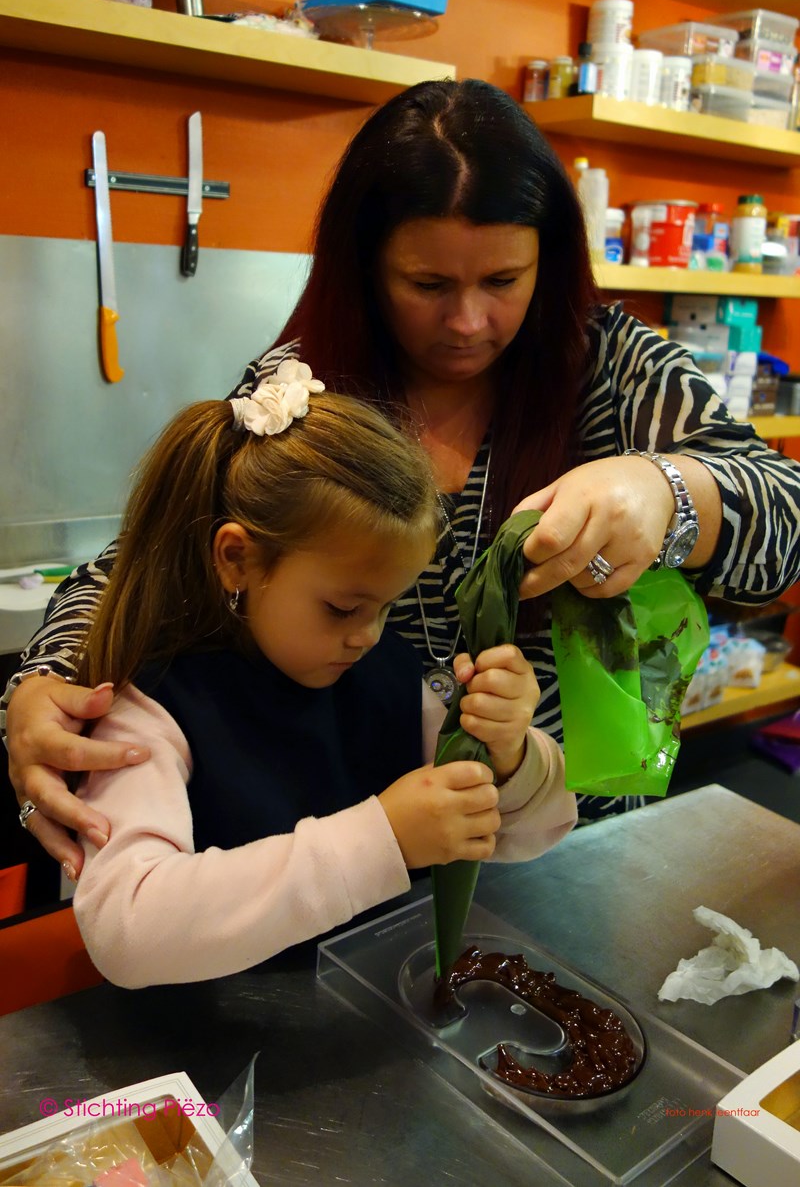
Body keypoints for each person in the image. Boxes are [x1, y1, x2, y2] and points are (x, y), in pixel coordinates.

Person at [7, 79, 800, 870]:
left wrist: (668, 492)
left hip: (573, 841)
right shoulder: (304, 392)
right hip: (357, 847)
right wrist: (41, 683)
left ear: (546, 263)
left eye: (502, 281)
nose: (467, 322)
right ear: (365, 266)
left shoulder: (612, 368)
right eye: (427, 285)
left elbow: (783, 523)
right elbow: (148, 560)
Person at [67, 365, 576, 985]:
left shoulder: (394, 674)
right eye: (342, 608)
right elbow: (128, 932)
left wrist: (510, 752)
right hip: (212, 1043)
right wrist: (381, 840)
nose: (367, 634)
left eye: (388, 606)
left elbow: (540, 830)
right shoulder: (150, 708)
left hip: (372, 1022)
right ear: (237, 560)